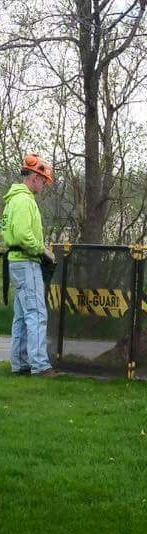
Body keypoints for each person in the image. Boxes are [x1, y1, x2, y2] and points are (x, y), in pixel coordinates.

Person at [2, 154, 56, 376]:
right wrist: (43, 250)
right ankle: (40, 365)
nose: (44, 185)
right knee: (36, 313)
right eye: (43, 180)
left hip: (16, 262)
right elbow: (24, 236)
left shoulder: (12, 200)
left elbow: (7, 233)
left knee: (22, 315)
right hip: (27, 262)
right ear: (33, 176)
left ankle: (19, 363)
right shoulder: (24, 201)